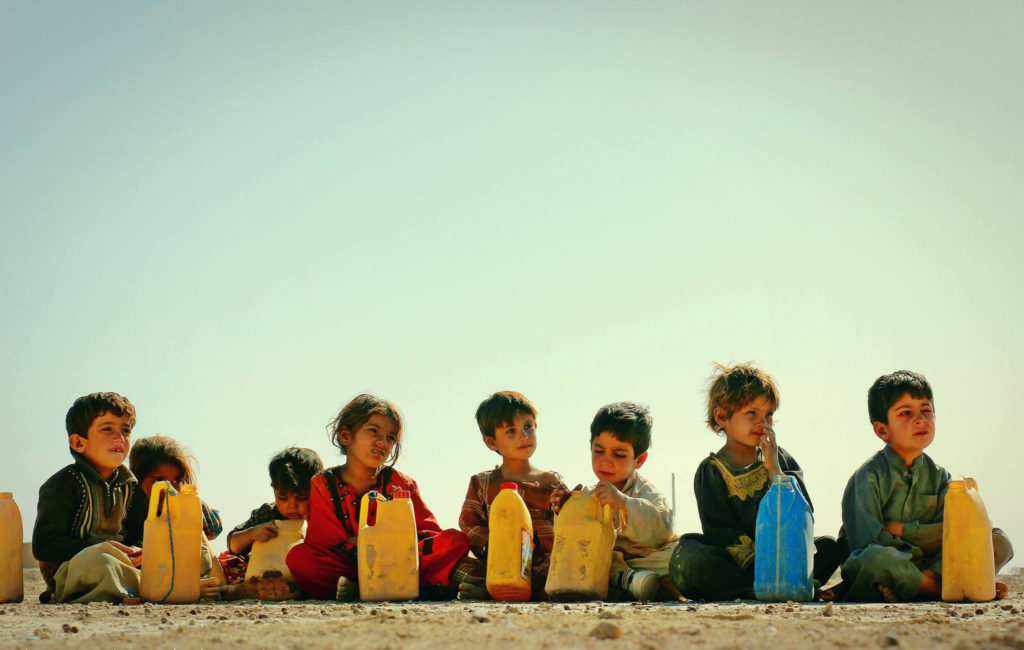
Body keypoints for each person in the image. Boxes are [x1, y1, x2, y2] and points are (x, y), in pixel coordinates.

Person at [669, 363, 845, 600]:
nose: (763, 422)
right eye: (751, 413)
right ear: (722, 417)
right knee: (688, 556)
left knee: (830, 546)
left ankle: (784, 584)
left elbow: (803, 514)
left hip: (784, 554)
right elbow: (719, 531)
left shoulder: (781, 458)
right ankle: (761, 589)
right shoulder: (710, 471)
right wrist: (759, 562)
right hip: (737, 566)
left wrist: (775, 471)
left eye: (769, 414)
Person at [839, 370, 1014, 602]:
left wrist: (904, 530)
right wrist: (921, 546)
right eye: (905, 413)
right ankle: (946, 587)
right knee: (876, 559)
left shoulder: (941, 478)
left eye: (926, 409)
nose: (920, 419)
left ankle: (925, 583)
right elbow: (868, 539)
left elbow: (953, 531)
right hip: (889, 562)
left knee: (997, 540)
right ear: (882, 430)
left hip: (934, 563)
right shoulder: (867, 478)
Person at [285, 394, 470, 600]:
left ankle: (378, 589)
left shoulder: (401, 483)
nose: (383, 442)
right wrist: (368, 544)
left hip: (399, 562)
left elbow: (428, 533)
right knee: (299, 558)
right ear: (346, 436)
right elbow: (326, 542)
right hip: (349, 568)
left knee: (455, 540)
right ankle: (369, 588)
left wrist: (384, 543)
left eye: (390, 438)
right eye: (373, 431)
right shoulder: (322, 484)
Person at [552, 402, 677, 601]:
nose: (606, 461)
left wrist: (624, 503)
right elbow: (570, 541)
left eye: (619, 455)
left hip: (643, 560)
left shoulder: (644, 490)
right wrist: (564, 509)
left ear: (640, 460)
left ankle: (630, 583)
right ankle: (629, 581)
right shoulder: (586, 495)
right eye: (598, 451)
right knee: (586, 557)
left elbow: (663, 529)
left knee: (678, 554)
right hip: (604, 561)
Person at [453, 391, 568, 600]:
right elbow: (469, 524)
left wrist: (566, 502)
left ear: (536, 426)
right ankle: (500, 589)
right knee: (458, 566)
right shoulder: (482, 482)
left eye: (528, 427)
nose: (523, 437)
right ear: (491, 442)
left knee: (560, 567)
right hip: (498, 563)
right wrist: (494, 545)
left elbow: (565, 525)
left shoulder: (550, 482)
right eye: (511, 431)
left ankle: (505, 592)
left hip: (540, 563)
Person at [32, 393, 142, 603]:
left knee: (188, 547)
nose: (119, 437)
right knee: (101, 561)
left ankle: (141, 584)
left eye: (125, 430)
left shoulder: (131, 486)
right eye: (107, 429)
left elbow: (141, 531)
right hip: (76, 569)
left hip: (125, 564)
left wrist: (139, 549)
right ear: (78, 443)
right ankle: (146, 587)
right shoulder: (63, 484)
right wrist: (100, 547)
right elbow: (44, 544)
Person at [218, 447, 323, 586]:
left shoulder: (322, 514)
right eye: (283, 498)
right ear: (274, 490)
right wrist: (252, 534)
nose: (291, 506)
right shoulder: (269, 513)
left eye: (301, 498)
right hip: (268, 575)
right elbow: (233, 545)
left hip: (309, 575)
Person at [123, 434, 222, 546]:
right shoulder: (127, 510)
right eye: (159, 481)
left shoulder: (187, 506)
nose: (170, 489)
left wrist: (193, 510)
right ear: (138, 481)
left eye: (177, 480)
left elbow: (214, 529)